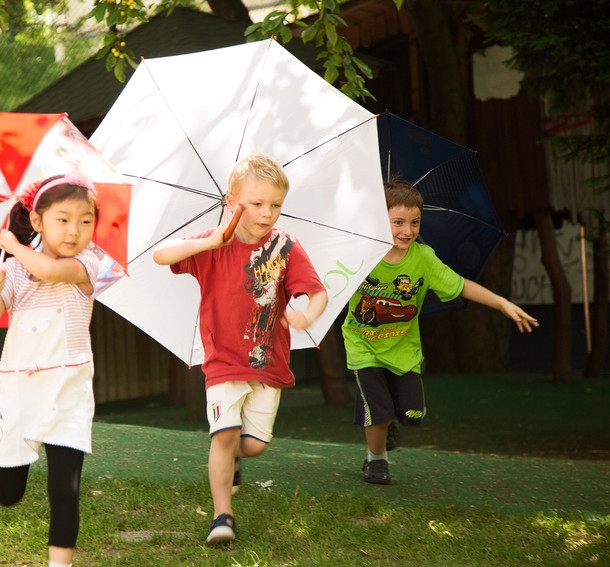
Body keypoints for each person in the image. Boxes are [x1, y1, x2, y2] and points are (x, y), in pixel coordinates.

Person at [153, 153, 328, 545]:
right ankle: (222, 517)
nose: (268, 213)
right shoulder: (215, 243)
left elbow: (318, 293)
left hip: (269, 362)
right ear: (233, 201)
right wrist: (212, 240)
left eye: (276, 205)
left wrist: (307, 315)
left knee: (253, 445)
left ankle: (234, 458)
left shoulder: (284, 246)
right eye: (257, 203)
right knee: (224, 437)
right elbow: (160, 255)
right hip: (223, 360)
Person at [341, 178, 539, 486]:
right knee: (376, 414)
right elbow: (326, 285)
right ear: (379, 220)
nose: (407, 230)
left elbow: (461, 285)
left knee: (412, 415)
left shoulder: (424, 258)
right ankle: (376, 460)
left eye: (415, 222)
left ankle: (393, 418)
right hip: (363, 346)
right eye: (397, 222)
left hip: (403, 349)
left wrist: (501, 303)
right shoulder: (359, 253)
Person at [0, 175, 102, 567]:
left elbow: (48, 271)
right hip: (19, 391)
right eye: (62, 219)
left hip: (68, 390)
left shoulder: (87, 263)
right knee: (6, 493)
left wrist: (12, 245)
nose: (75, 231)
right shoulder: (12, 271)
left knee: (65, 488)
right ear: (38, 220)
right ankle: (13, 471)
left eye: (85, 220)